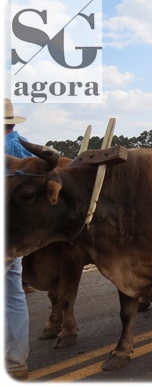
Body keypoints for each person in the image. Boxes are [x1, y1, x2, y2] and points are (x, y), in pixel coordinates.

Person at [4, 98, 32, 381]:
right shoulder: (23, 146)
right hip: (16, 232)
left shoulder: (8, 149)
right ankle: (16, 361)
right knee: (14, 296)